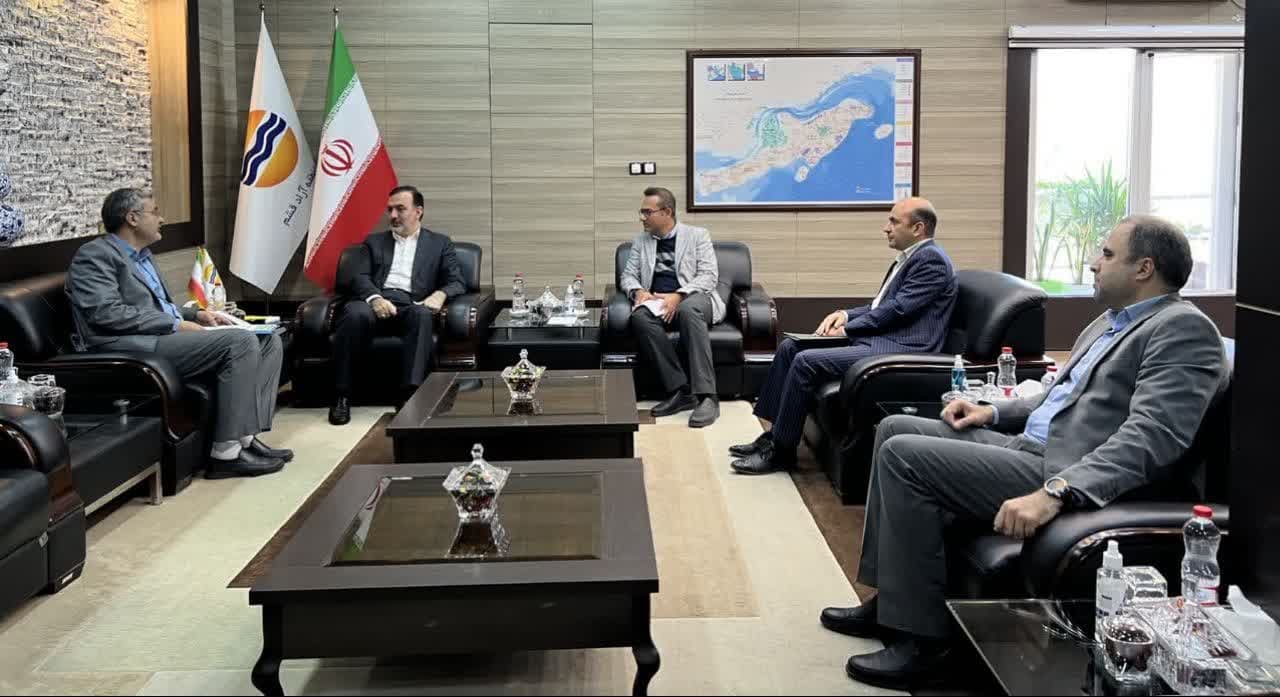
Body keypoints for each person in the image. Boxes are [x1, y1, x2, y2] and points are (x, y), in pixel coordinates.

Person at [825, 216, 1229, 691]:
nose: (1093, 263)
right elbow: (1060, 397)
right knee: (894, 427)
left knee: (904, 456)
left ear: (1144, 268)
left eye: (1106, 254)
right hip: (1030, 444)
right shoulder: (1112, 320)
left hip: (1061, 467)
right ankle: (893, 599)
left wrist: (1057, 491)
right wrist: (992, 412)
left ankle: (925, 643)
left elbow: (1152, 438)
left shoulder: (1182, 329)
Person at [66, 188, 292, 479]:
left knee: (269, 339)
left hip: (160, 337)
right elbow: (106, 314)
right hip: (128, 347)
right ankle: (225, 454)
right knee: (240, 342)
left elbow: (158, 306)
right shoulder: (94, 256)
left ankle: (245, 437)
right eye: (155, 212)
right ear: (132, 218)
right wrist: (175, 325)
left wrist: (195, 315)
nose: (162, 219)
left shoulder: (143, 256)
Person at [730, 197, 956, 474]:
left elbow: (898, 310)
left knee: (806, 361)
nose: (886, 227)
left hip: (905, 347)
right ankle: (774, 436)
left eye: (894, 221)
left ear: (918, 228)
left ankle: (782, 452)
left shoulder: (931, 260)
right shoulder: (912, 258)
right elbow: (881, 306)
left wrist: (849, 329)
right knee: (790, 347)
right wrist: (846, 315)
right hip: (884, 339)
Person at [328, 185, 465, 425]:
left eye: (400, 209)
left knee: (422, 315)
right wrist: (375, 299)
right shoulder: (373, 242)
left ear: (418, 211)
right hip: (373, 301)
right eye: (390, 210)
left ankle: (409, 396)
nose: (393, 215)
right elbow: (359, 277)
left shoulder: (439, 243)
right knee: (354, 313)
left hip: (411, 303)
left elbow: (456, 281)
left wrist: (440, 294)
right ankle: (342, 396)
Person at [621, 186, 722, 428]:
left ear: (667, 212)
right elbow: (628, 275)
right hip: (657, 302)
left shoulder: (697, 235)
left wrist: (679, 295)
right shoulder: (641, 241)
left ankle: (707, 397)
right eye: (642, 212)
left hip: (694, 297)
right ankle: (681, 390)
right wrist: (638, 291)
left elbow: (709, 276)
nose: (642, 217)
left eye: (647, 212)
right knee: (639, 318)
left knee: (688, 310)